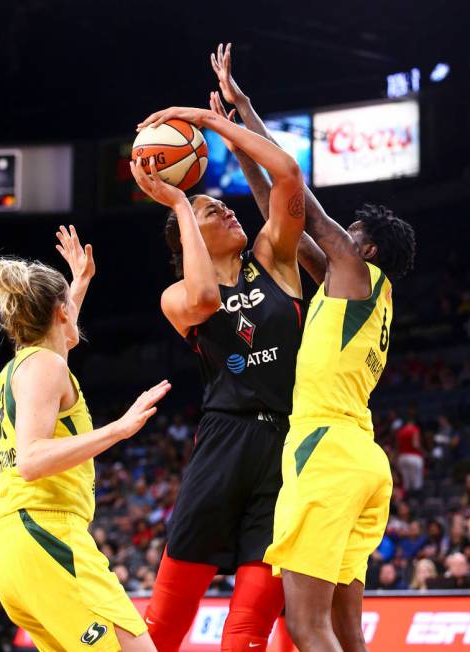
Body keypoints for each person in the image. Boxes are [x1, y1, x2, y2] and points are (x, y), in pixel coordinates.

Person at [208, 42, 416, 652]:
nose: (338, 236)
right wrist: (241, 133)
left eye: (350, 234)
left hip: (324, 447)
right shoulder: (356, 292)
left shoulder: (354, 271)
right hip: (360, 457)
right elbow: (279, 204)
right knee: (348, 631)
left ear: (366, 249)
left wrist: (235, 114)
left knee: (305, 625)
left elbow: (296, 190)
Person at [131, 87, 319, 651]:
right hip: (225, 440)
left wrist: (209, 120)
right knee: (165, 624)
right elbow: (208, 298)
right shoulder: (176, 297)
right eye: (215, 210)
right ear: (189, 233)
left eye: (222, 205)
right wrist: (184, 204)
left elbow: (286, 175)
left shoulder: (274, 258)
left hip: (286, 445)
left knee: (247, 628)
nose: (228, 209)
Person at [0, 227, 171, 652]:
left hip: (21, 542)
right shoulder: (45, 368)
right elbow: (30, 460)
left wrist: (79, 283)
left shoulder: (25, 366)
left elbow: (59, 337)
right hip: (46, 532)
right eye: (68, 304)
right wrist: (119, 428)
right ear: (59, 312)